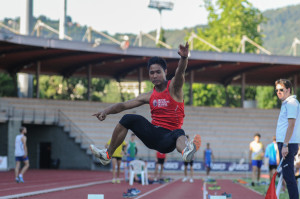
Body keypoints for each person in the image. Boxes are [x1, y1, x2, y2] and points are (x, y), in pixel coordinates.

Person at [90, 42, 201, 167]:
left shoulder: (174, 88)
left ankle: (186, 152)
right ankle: (107, 155)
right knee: (128, 118)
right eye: (151, 73)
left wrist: (184, 58)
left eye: (158, 72)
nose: (155, 75)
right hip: (152, 135)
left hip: (169, 139)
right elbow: (123, 105)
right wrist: (106, 111)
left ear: (165, 71)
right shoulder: (148, 96)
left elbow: (180, 72)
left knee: (179, 132)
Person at [275, 79, 300, 199]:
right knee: (287, 174)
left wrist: (285, 145)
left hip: (288, 144)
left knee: (289, 176)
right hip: (286, 143)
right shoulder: (286, 103)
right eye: (277, 90)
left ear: (288, 90)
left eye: (281, 90)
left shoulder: (291, 103)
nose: (278, 92)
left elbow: (291, 124)